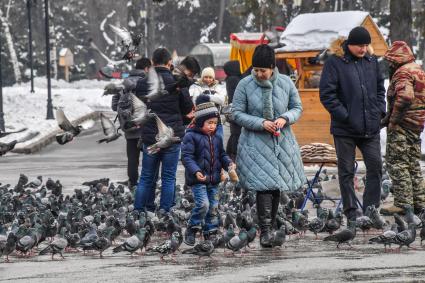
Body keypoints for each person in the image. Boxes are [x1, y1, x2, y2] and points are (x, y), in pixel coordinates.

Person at [232, 44, 306, 248]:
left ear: (272, 67)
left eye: (262, 70)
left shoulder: (285, 83)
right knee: (263, 186)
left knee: (275, 187)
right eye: (255, 70)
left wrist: (284, 118)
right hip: (255, 143)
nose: (258, 74)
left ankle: (271, 227)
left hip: (281, 142)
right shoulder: (244, 84)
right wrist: (260, 123)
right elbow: (236, 113)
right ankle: (264, 231)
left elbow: (297, 107)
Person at [319, 27, 386, 221]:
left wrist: (379, 111)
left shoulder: (372, 62)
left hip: (370, 127)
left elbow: (380, 89)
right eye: (359, 45)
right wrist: (345, 116)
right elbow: (327, 94)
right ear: (349, 44)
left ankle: (371, 210)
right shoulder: (335, 63)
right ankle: (351, 211)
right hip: (345, 128)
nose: (363, 49)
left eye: (366, 45)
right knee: (346, 170)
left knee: (375, 167)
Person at [133, 48, 193, 213]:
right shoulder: (177, 82)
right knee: (168, 177)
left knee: (146, 176)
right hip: (172, 136)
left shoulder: (142, 83)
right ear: (169, 63)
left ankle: (141, 209)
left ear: (152, 62)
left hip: (150, 136)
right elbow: (188, 107)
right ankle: (165, 211)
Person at [181, 95, 234, 245]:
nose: (213, 126)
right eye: (209, 123)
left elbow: (222, 154)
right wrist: (195, 171)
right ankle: (192, 227)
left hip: (214, 179)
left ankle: (210, 231)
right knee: (203, 205)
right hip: (199, 179)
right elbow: (186, 157)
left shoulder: (216, 138)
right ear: (199, 121)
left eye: (215, 123)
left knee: (214, 207)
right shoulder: (191, 136)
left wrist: (229, 163)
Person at [381, 41, 425, 215]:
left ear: (396, 58)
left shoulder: (402, 72)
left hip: (403, 126)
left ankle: (402, 203)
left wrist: (393, 120)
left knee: (397, 163)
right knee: (413, 164)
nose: (389, 63)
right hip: (417, 125)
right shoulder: (418, 69)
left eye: (391, 60)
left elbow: (406, 97)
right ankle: (419, 202)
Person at [111, 57, 151, 189]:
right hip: (145, 128)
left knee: (132, 160)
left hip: (129, 129)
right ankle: (146, 185)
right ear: (146, 68)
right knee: (148, 159)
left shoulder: (124, 83)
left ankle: (133, 184)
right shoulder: (147, 83)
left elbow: (114, 105)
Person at [189, 67, 227, 139]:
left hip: (217, 122)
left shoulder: (220, 86)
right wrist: (214, 96)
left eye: (210, 77)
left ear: (213, 78)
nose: (208, 79)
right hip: (201, 122)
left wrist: (205, 96)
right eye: (205, 77)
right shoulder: (195, 86)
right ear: (202, 77)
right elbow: (196, 101)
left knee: (218, 145)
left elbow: (222, 100)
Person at [223, 60, 243, 161]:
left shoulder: (230, 79)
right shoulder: (234, 79)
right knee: (236, 133)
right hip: (236, 109)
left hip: (232, 110)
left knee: (234, 133)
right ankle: (233, 154)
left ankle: (229, 153)